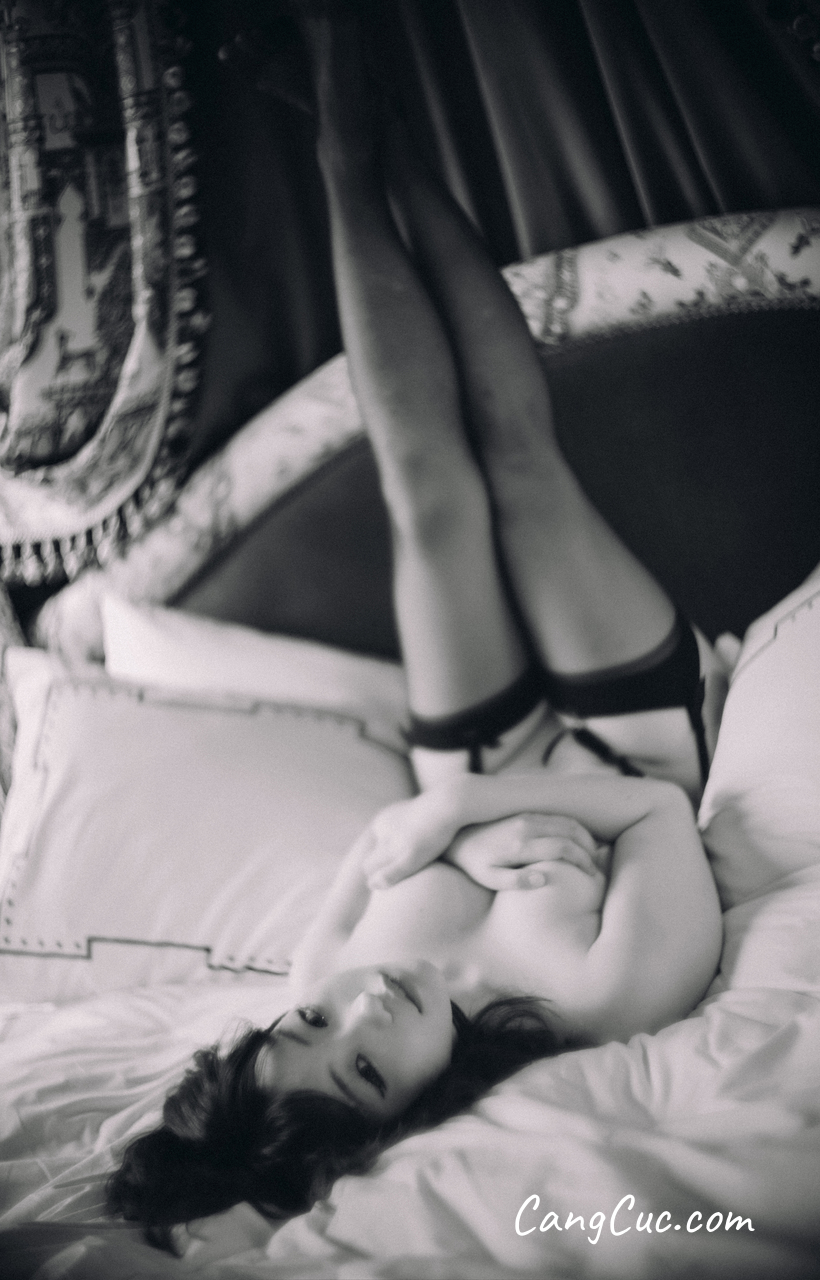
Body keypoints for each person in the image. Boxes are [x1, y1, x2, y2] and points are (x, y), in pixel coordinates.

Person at [107, 6, 724, 1250]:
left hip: (472, 759)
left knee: (425, 490)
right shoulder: (595, 1003)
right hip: (633, 740)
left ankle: (346, 150)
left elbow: (384, 840)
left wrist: (453, 809)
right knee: (519, 465)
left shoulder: (318, 980)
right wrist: (460, 817)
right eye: (365, 1065)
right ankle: (374, 132)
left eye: (309, 1025)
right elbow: (660, 815)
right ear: (402, 1125)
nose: (361, 1004)